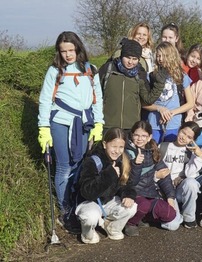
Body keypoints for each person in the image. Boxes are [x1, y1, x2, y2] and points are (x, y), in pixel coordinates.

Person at [37, 31, 104, 221]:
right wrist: (44, 128)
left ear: (78, 48)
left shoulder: (90, 70)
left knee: (79, 164)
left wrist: (99, 123)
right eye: (63, 51)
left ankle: (76, 204)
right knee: (64, 166)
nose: (68, 54)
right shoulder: (55, 71)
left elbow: (97, 99)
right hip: (60, 122)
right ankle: (65, 209)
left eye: (71, 50)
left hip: (83, 123)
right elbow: (44, 100)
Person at [75, 127, 138, 244]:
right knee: (91, 216)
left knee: (132, 206)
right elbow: (87, 192)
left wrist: (128, 195)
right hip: (90, 202)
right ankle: (87, 233)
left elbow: (126, 184)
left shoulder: (122, 160)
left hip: (108, 202)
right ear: (105, 144)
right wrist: (109, 175)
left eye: (121, 147)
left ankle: (112, 227)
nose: (117, 151)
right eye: (113, 146)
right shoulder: (93, 160)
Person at [124, 121, 182, 236]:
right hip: (133, 193)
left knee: (170, 214)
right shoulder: (126, 151)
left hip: (150, 192)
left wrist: (170, 196)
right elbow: (128, 180)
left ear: (150, 137)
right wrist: (136, 164)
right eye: (136, 135)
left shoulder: (152, 150)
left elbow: (164, 175)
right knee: (144, 205)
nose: (140, 139)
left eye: (144, 136)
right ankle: (130, 223)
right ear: (131, 135)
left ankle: (143, 216)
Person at [99, 38, 162, 131]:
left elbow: (148, 99)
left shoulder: (140, 74)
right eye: (128, 57)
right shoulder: (108, 69)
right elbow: (96, 93)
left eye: (134, 59)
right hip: (107, 124)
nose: (130, 62)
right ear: (122, 55)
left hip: (131, 126)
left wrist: (160, 83)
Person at [143, 42, 194, 142]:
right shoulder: (151, 76)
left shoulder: (181, 76)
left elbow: (190, 103)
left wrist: (172, 113)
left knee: (170, 153)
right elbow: (143, 103)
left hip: (174, 124)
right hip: (154, 124)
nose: (160, 59)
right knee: (154, 154)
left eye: (164, 56)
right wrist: (159, 109)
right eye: (158, 55)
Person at [159, 121, 202, 228]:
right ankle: (176, 215)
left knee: (191, 183)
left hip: (180, 189)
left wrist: (199, 156)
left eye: (189, 137)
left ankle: (189, 218)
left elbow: (190, 175)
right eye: (183, 133)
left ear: (193, 140)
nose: (184, 137)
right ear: (179, 129)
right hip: (164, 189)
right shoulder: (163, 146)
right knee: (172, 225)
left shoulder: (190, 152)